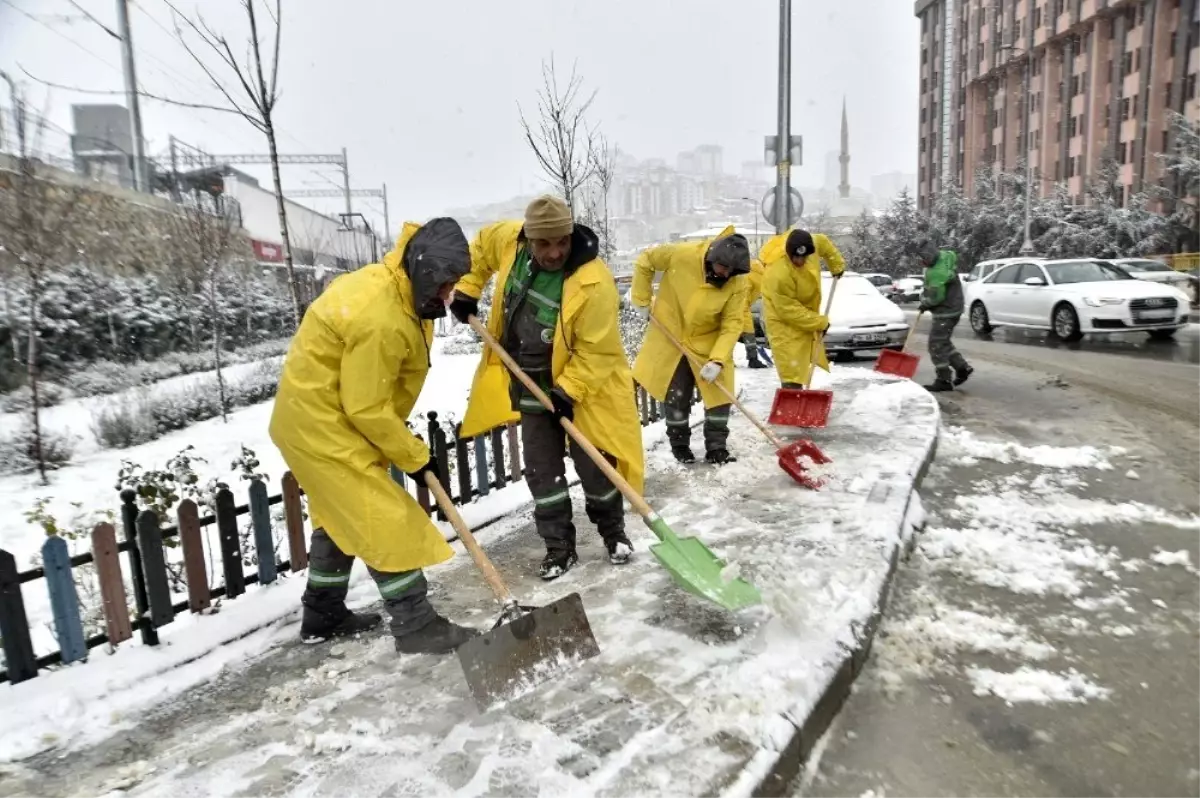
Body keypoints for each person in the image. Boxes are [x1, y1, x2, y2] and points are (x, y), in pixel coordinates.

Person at [269, 218, 479, 655]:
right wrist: (415, 457)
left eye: (453, 284)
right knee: (382, 519)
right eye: (445, 285)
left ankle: (322, 614)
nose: (449, 294)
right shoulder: (380, 314)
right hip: (323, 426)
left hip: (324, 418)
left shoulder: (400, 291)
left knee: (341, 517)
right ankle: (416, 625)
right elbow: (366, 406)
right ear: (423, 270)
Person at [449, 196, 645, 581]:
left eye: (562, 242)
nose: (555, 252)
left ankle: (614, 534)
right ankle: (559, 548)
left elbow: (598, 350)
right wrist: (469, 287)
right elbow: (482, 247)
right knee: (543, 471)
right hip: (527, 379)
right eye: (545, 244)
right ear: (528, 239)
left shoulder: (594, 281)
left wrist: (568, 391)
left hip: (583, 389)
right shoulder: (510, 241)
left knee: (595, 465)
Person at [630, 227, 751, 465]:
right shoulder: (681, 255)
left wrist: (717, 359)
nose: (726, 274)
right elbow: (645, 260)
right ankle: (679, 445)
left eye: (732, 271)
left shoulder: (737, 282)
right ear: (712, 257)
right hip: (670, 336)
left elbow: (731, 324)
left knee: (719, 396)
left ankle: (717, 447)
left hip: (709, 342)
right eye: (723, 268)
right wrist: (641, 300)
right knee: (677, 395)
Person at [760, 228, 846, 388]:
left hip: (804, 311)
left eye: (804, 257)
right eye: (797, 258)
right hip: (781, 319)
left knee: (803, 361)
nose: (801, 261)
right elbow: (787, 309)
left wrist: (836, 264)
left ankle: (797, 393)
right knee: (790, 365)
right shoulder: (778, 273)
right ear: (789, 253)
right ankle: (791, 396)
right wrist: (819, 322)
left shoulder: (810, 246)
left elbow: (823, 242)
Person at [916, 240, 973, 392]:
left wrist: (925, 302)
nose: (922, 262)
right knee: (942, 342)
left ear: (929, 256)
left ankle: (944, 379)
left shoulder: (937, 272)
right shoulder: (945, 256)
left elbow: (936, 298)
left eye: (923, 258)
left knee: (935, 345)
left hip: (946, 311)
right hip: (955, 306)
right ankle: (962, 367)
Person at [741, 257, 769, 369]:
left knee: (729, 332)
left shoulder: (752, 271)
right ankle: (753, 359)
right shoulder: (757, 275)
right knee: (747, 332)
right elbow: (744, 295)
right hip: (741, 306)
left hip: (740, 305)